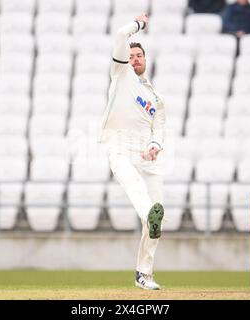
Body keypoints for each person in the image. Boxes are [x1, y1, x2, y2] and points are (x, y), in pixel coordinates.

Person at [98, 13, 166, 290]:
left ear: (146, 60)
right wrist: (139, 25)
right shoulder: (121, 73)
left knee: (158, 211)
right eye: (132, 55)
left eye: (139, 55)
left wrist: (154, 145)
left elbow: (159, 128)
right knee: (139, 193)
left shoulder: (156, 97)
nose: (135, 58)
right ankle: (149, 212)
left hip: (145, 154)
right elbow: (119, 35)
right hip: (119, 146)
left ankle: (144, 274)